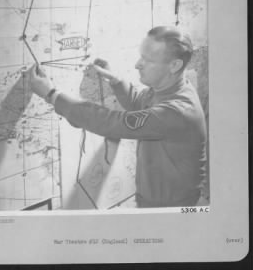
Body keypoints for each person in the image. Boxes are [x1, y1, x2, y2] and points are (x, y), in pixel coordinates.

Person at [30, 26, 208, 208]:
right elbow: (140, 102)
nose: (137, 64)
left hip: (171, 209)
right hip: (155, 200)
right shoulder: (168, 89)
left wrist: (51, 95)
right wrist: (115, 80)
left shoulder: (177, 111)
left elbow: (112, 123)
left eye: (148, 60)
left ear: (174, 65)